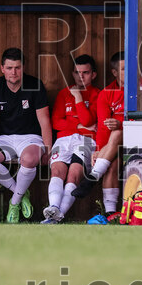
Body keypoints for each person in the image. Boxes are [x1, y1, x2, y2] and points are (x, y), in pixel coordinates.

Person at [0, 48, 52, 223]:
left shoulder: (35, 84)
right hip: (6, 138)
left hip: (31, 137)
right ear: (2, 68)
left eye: (17, 67)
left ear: (23, 67)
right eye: (9, 68)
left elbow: (44, 120)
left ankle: (14, 202)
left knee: (29, 159)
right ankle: (20, 192)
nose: (13, 72)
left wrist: (47, 150)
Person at [42, 54, 101, 223]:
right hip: (64, 139)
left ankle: (56, 216)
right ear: (72, 73)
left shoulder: (98, 94)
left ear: (93, 75)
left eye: (85, 72)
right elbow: (55, 122)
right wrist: (78, 126)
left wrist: (78, 97)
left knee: (74, 174)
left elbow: (89, 121)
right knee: (57, 171)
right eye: (77, 72)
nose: (80, 76)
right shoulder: (63, 93)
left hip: (86, 140)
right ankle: (54, 208)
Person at [71, 51, 126, 215]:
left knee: (117, 131)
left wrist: (121, 124)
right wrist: (99, 150)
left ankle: (92, 177)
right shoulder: (106, 93)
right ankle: (110, 213)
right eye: (124, 69)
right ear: (114, 72)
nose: (130, 72)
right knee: (111, 164)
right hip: (114, 146)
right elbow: (102, 128)